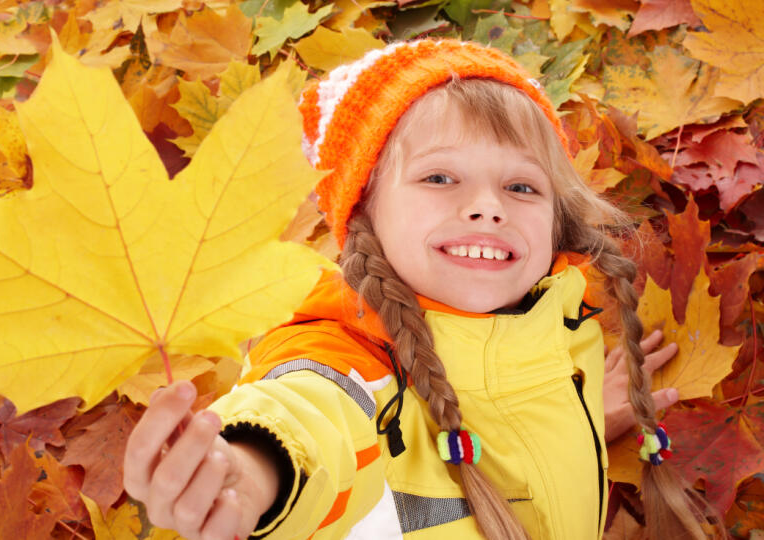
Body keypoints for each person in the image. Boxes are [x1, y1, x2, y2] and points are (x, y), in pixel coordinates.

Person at [123, 39, 719, 540]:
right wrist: (248, 468)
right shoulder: (351, 361)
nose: (487, 207)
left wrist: (579, 414)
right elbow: (310, 416)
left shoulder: (562, 325)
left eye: (522, 187)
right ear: (365, 215)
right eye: (439, 177)